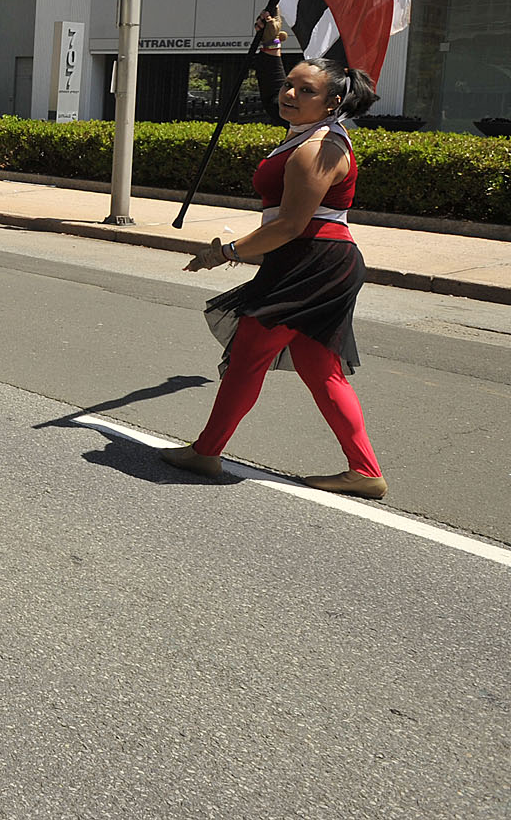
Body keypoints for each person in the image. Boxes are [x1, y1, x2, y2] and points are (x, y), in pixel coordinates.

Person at [166, 53, 388, 499]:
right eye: (288, 84)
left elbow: (289, 226)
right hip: (316, 261)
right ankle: (364, 471)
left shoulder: (316, 149)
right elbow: (282, 94)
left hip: (311, 261)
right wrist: (271, 47)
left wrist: (223, 253)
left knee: (249, 356)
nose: (289, 94)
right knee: (318, 366)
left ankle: (206, 452)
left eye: (305, 90)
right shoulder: (311, 131)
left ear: (332, 102)